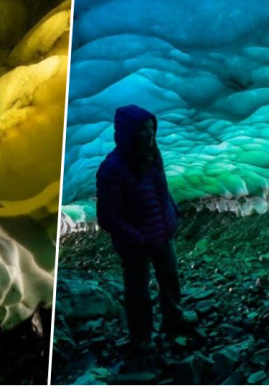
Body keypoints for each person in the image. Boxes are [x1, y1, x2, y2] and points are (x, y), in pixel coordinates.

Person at [96, 105, 196, 354]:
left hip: (162, 232)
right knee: (138, 291)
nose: (150, 135)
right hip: (136, 244)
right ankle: (141, 337)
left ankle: (173, 319)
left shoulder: (153, 155)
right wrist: (136, 237)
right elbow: (107, 216)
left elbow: (161, 188)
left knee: (170, 278)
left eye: (152, 128)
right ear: (129, 133)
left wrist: (172, 211)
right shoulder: (111, 169)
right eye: (143, 130)